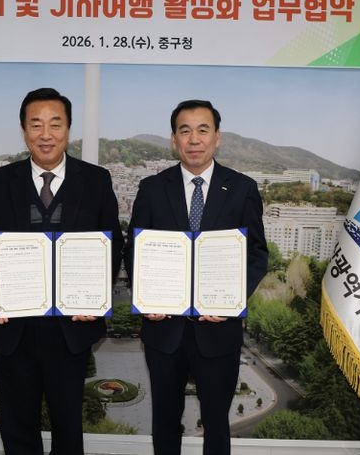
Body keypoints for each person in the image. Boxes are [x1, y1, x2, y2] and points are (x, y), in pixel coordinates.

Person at [0, 87, 123, 455]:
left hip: (71, 327)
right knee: (17, 427)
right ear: (24, 130)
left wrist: (96, 295)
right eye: (35, 124)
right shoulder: (0, 182)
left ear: (68, 129)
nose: (46, 134)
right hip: (16, 325)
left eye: (55, 124)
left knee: (68, 426)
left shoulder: (96, 180)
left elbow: (113, 242)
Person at [124, 99, 268, 455]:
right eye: (184, 131)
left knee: (217, 424)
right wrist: (145, 296)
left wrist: (232, 299)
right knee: (165, 420)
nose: (194, 139)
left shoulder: (242, 188)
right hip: (164, 329)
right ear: (173, 140)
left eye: (203, 130)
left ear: (217, 137)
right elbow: (134, 250)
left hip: (218, 330)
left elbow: (256, 255)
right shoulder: (152, 188)